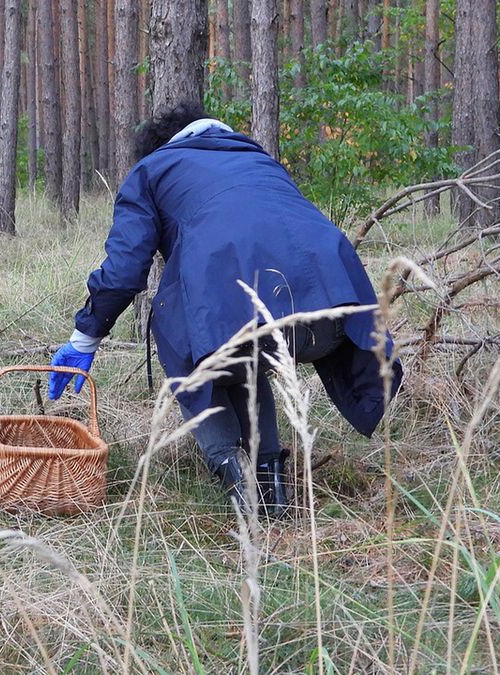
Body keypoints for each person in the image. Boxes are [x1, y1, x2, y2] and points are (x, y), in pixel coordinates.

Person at [46, 102, 402, 517]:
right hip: (335, 311)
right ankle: (274, 497)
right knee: (245, 358)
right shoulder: (259, 160)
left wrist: (85, 336)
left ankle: (237, 482)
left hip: (253, 313)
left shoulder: (152, 170)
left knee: (193, 349)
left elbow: (125, 270)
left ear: (161, 147)